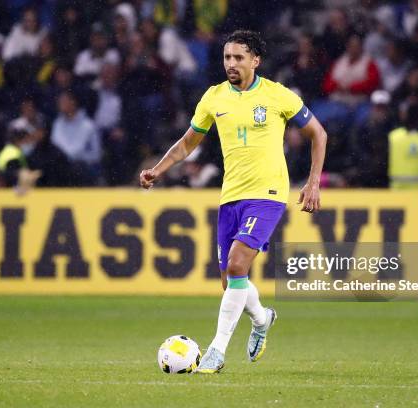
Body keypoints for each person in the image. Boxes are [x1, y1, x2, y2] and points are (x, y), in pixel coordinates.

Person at [139, 30, 328, 373]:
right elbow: (186, 144)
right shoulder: (213, 98)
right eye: (227, 57)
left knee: (239, 266)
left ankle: (216, 351)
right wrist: (158, 169)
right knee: (230, 282)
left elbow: (318, 133)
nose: (231, 63)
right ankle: (262, 318)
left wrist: (313, 182)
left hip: (268, 194)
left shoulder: (278, 95)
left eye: (239, 57)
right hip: (231, 196)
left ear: (256, 61)